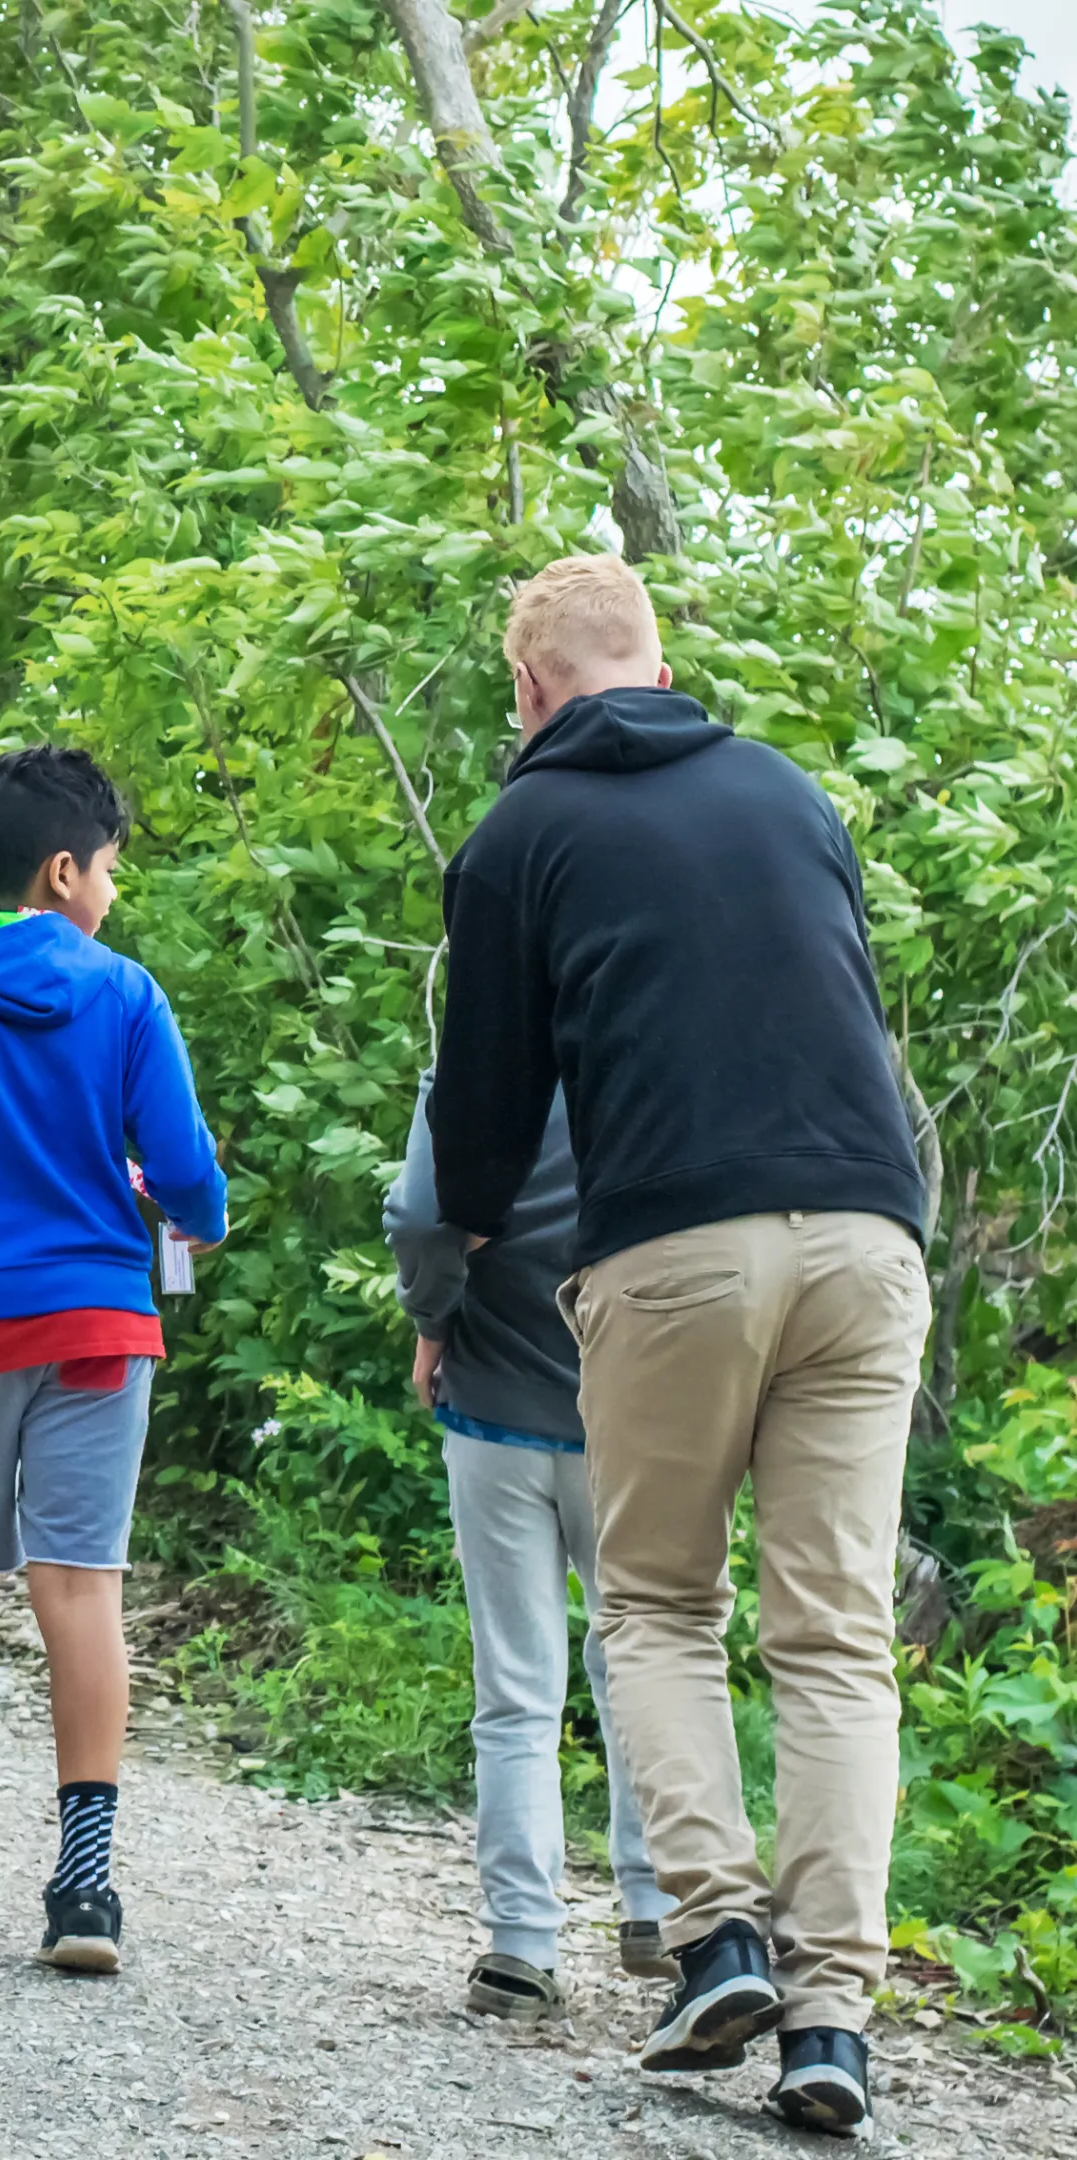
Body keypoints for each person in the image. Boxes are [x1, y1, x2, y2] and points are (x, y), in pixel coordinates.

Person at [426, 553, 928, 2136]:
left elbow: (485, 1119)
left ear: (528, 692)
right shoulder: (788, 791)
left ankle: (716, 1933)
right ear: (658, 660)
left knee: (652, 1601)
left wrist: (456, 1277)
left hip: (673, 1252)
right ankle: (835, 2021)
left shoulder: (522, 834)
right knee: (836, 1639)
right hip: (868, 1231)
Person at [0, 747, 223, 1978]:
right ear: (64, 869)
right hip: (93, 1328)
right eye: (111, 869)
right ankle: (83, 1889)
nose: (113, 893)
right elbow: (184, 1175)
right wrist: (190, 1211)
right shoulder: (126, 996)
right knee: (80, 1588)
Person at [384, 1080, 677, 2022]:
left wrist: (433, 1322)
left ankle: (521, 1944)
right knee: (645, 1663)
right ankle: (656, 1909)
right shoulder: (650, 1050)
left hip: (494, 1406)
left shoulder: (479, 1061)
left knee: (514, 1687)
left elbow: (423, 1216)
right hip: (635, 1415)